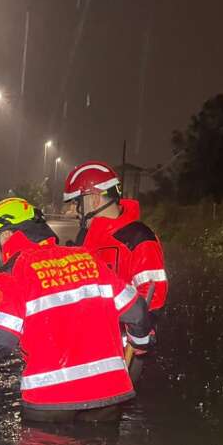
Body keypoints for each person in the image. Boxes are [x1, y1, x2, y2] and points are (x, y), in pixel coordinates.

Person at [0, 197, 154, 422]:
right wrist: (140, 344)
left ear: (6, 236)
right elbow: (138, 313)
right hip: (107, 397)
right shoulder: (89, 257)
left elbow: (3, 341)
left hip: (49, 401)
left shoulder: (12, 273)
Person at [62, 161, 169, 378]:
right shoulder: (86, 238)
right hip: (84, 345)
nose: (73, 212)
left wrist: (137, 335)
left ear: (93, 199)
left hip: (123, 350)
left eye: (76, 203)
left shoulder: (138, 237)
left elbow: (152, 296)